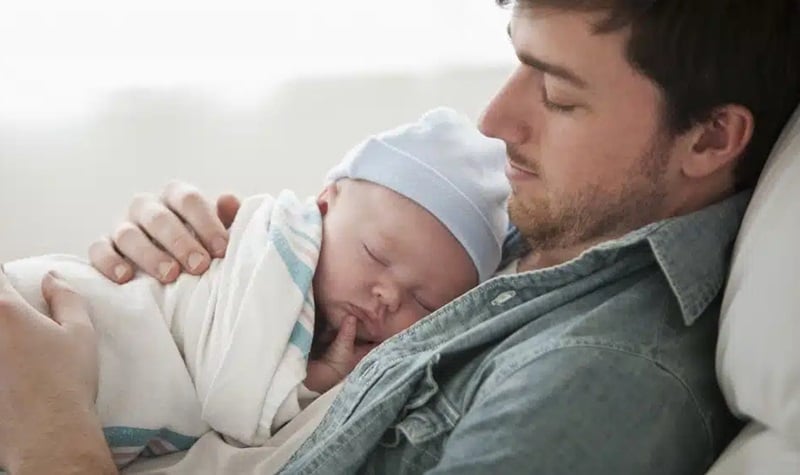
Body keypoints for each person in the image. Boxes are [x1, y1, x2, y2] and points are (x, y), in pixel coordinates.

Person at [1, 0, 799, 473]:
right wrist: (201, 258)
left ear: (709, 139)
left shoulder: (595, 383)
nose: (494, 121)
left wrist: (52, 429)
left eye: (557, 93)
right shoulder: (547, 222)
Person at [0, 109, 509, 468]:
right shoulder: (275, 250)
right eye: (375, 254)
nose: (388, 296)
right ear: (324, 203)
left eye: (425, 302)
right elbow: (236, 402)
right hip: (55, 310)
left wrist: (316, 382)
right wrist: (306, 386)